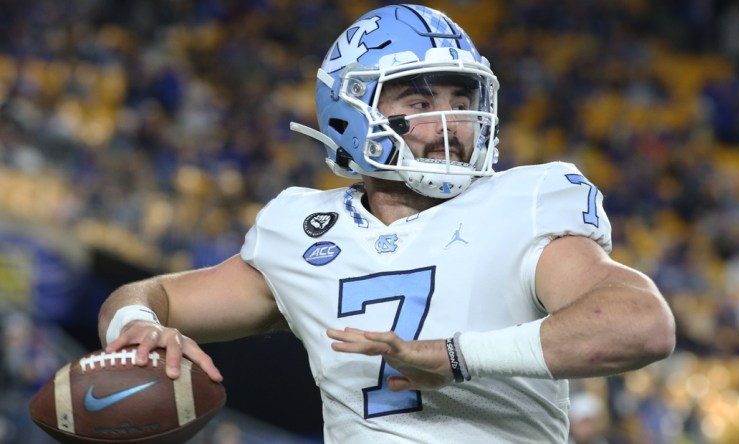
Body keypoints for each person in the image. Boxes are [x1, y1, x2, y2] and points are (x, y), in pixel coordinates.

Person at [98, 4, 676, 443]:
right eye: (420, 103)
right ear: (350, 113)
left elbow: (641, 324)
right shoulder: (302, 228)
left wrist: (456, 357)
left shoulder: (523, 202)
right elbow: (150, 296)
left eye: (460, 97)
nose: (450, 122)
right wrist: (138, 322)